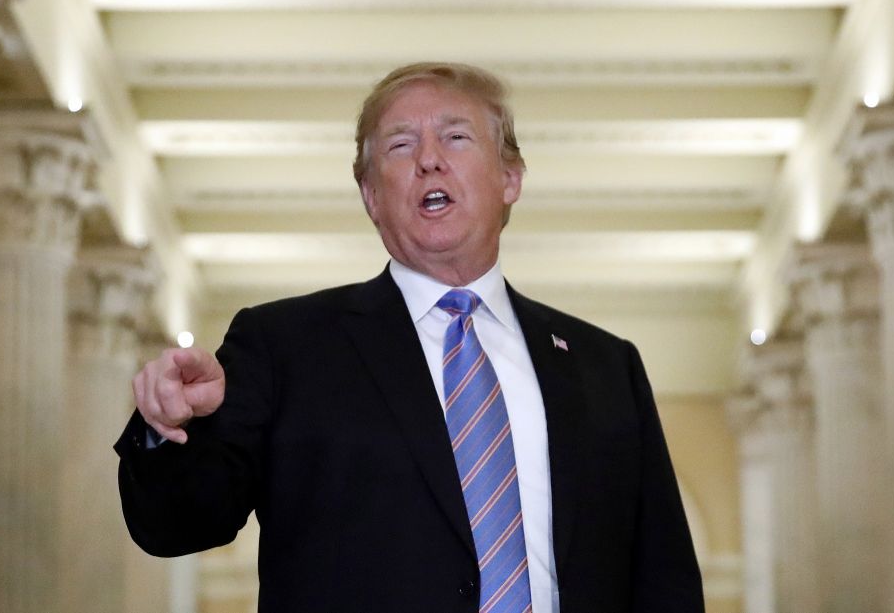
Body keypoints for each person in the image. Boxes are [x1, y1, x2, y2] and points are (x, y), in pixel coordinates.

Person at [116, 62, 703, 613]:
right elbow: (175, 524)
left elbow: (664, 579)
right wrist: (168, 426)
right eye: (400, 145)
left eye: (456, 138)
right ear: (371, 196)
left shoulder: (606, 367)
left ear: (510, 178)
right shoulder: (284, 345)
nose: (429, 160)